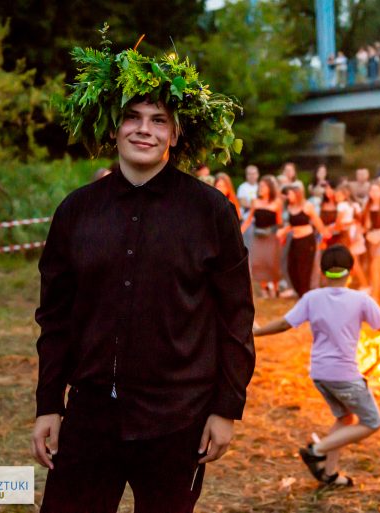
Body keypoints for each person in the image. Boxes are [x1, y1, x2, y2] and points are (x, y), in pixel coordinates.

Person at [35, 47, 255, 513]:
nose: (144, 129)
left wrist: (226, 408)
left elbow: (235, 315)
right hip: (90, 417)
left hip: (178, 421)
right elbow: (54, 318)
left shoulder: (211, 212)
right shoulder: (76, 212)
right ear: (113, 126)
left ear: (175, 132)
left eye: (158, 119)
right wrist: (48, 403)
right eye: (132, 117)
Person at [253, 245, 380, 486]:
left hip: (320, 375)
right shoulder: (360, 300)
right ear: (352, 271)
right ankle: (316, 450)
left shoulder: (312, 298)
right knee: (372, 422)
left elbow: (285, 324)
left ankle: (329, 473)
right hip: (345, 376)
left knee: (346, 419)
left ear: (323, 272)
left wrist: (258, 332)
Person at [278, 182, 330, 297]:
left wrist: (325, 235)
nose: (288, 196)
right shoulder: (290, 207)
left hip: (306, 241)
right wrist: (283, 232)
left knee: (304, 269)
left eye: (290, 194)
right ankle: (300, 292)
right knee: (291, 267)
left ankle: (304, 295)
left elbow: (317, 222)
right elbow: (292, 224)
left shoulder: (307, 206)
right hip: (295, 241)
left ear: (297, 194)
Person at [240, 175, 283, 298]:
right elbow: (248, 220)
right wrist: (239, 232)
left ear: (270, 188)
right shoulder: (255, 202)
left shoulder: (277, 203)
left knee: (272, 263)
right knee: (259, 263)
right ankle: (264, 288)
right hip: (258, 237)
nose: (260, 188)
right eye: (260, 186)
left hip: (271, 237)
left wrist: (281, 235)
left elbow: (279, 223)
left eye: (263, 186)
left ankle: (275, 288)